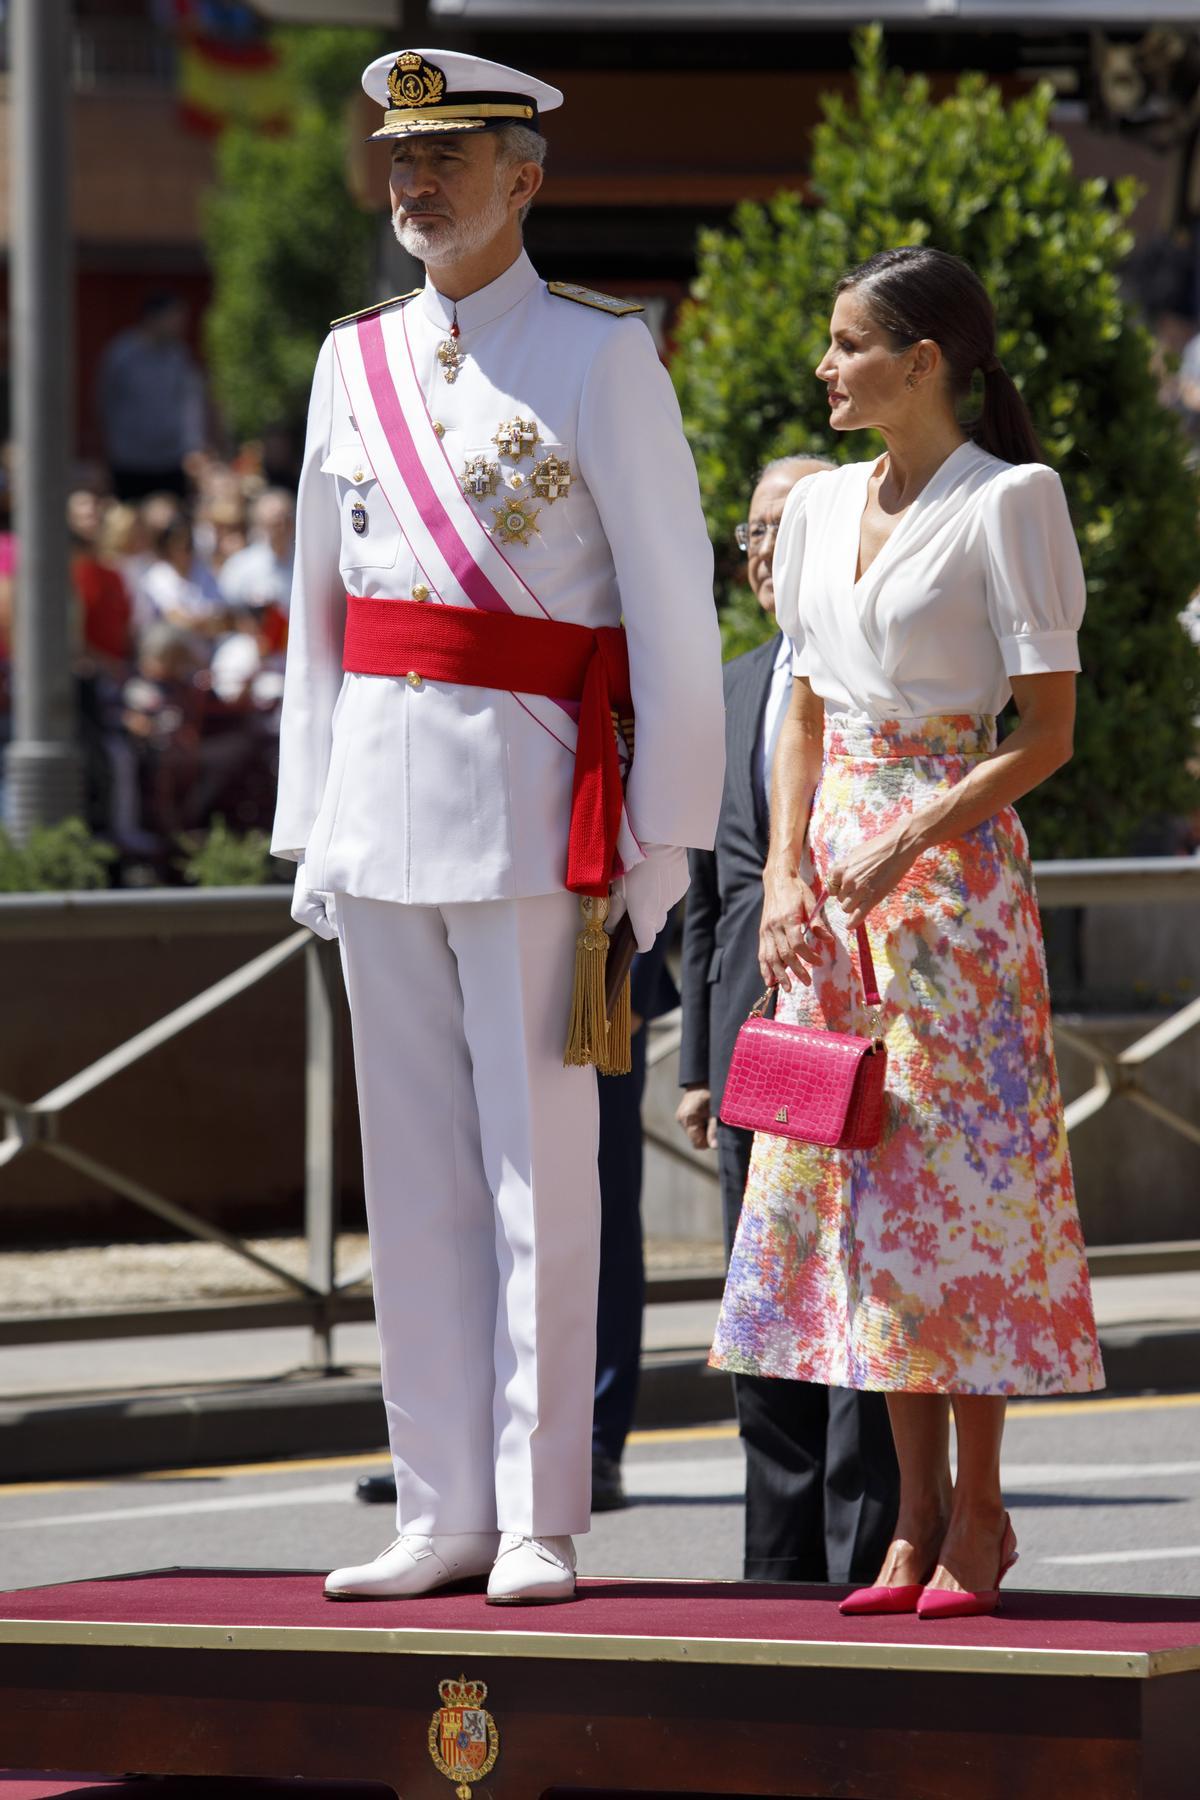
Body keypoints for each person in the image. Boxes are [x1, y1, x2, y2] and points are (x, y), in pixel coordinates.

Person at [274, 48, 724, 1605]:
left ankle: (539, 1510)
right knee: (411, 1182)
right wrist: (309, 826)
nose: (416, 185)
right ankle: (439, 1504)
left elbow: (673, 612)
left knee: (546, 1178)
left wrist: (662, 842)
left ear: (522, 180)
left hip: (539, 808)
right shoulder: (353, 361)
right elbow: (318, 617)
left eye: (449, 160)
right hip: (381, 808)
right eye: (401, 160)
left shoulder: (603, 356)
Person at [710, 246, 1104, 1621]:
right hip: (831, 889)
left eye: (846, 342)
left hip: (953, 887)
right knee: (858, 1193)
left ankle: (977, 1518)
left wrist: (912, 832)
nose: (826, 365)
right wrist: (784, 883)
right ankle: (909, 1520)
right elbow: (804, 712)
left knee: (962, 1198)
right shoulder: (814, 508)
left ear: (922, 361)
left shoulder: (1014, 502)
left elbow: (1047, 734)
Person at [678, 455, 900, 1584]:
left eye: (788, 526)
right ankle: (775, 1583)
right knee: (764, 1333)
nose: (767, 551)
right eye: (756, 533)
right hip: (752, 1062)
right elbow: (714, 894)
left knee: (860, 1322)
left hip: (858, 1042)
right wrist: (697, 1059)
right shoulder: (734, 686)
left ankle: (864, 1571)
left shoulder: (873, 682)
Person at [592, 923, 680, 1512]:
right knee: (468, 1215)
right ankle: (456, 1450)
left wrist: (630, 978)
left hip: (597, 963)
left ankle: (595, 1444)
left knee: (603, 1224)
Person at [96, 294, 206, 501]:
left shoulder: (179, 355)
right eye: (175, 319)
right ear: (154, 318)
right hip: (129, 459)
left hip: (170, 459)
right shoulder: (121, 354)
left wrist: (194, 446)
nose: (180, 326)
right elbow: (105, 402)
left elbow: (190, 403)